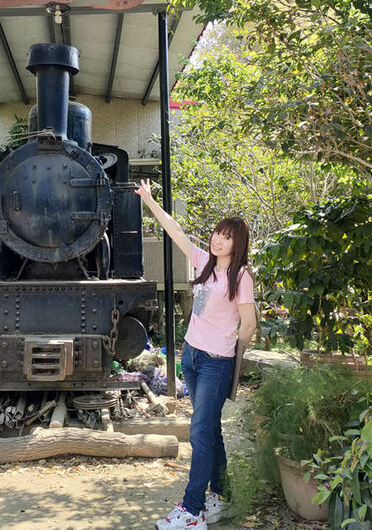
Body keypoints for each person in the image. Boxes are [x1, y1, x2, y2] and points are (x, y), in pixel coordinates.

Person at [135, 179, 257, 530]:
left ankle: (192, 511)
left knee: (200, 432)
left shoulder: (241, 276)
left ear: (239, 243)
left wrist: (233, 354)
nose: (218, 239)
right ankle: (223, 495)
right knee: (210, 429)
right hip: (191, 357)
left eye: (227, 236)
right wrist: (150, 201)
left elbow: (248, 324)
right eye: (217, 233)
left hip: (217, 363)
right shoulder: (204, 262)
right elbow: (175, 230)